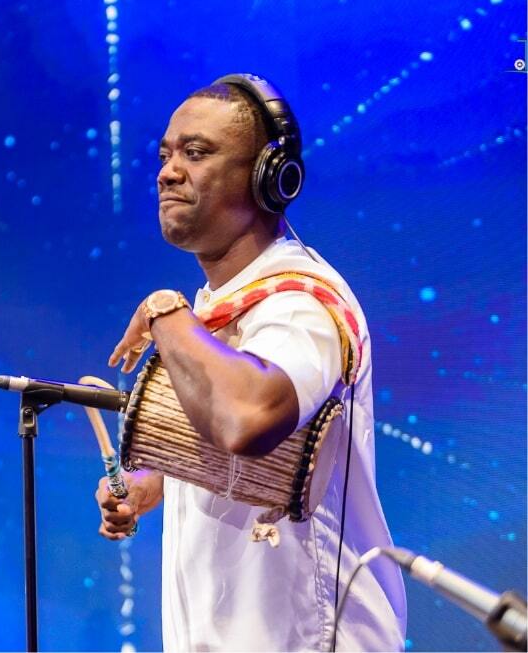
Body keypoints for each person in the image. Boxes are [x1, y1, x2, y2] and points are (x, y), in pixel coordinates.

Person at [95, 74, 407, 651]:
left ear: (270, 178)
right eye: (165, 155)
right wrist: (155, 478)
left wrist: (166, 310)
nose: (167, 171)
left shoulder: (302, 302)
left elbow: (246, 416)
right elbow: (233, 442)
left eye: (197, 152)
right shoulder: (219, 308)